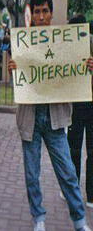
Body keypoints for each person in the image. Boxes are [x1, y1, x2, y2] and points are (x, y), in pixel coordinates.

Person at [8, 0, 93, 231]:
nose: (42, 16)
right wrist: (12, 67)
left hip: (56, 119)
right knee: (32, 176)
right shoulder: (22, 43)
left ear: (51, 13)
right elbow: (16, 79)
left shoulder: (64, 41)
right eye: (37, 12)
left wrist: (86, 66)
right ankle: (39, 219)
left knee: (67, 172)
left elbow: (74, 74)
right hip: (30, 119)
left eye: (45, 11)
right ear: (31, 15)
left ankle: (79, 221)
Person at [67, 14, 93, 207]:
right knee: (74, 149)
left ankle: (90, 194)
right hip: (76, 103)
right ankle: (74, 189)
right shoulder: (66, 48)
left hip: (88, 103)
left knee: (87, 150)